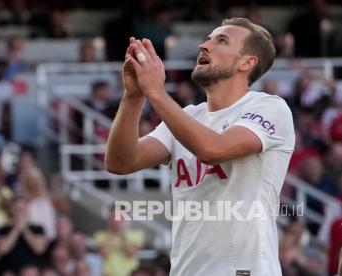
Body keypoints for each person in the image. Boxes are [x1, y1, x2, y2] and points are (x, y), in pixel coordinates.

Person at [105, 17, 295, 275]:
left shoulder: (269, 107)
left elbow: (213, 150)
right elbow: (121, 162)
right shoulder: (189, 115)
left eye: (221, 41)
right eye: (208, 38)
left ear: (246, 62)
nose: (204, 46)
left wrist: (156, 93)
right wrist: (134, 96)